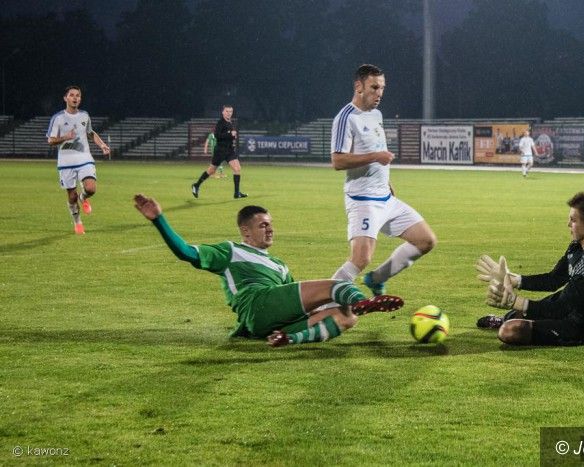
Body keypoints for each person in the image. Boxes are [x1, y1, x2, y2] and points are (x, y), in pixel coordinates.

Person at [133, 194, 404, 347]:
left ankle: (288, 339)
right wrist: (159, 220)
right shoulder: (230, 251)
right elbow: (186, 252)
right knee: (336, 287)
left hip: (266, 323)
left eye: (271, 224)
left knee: (346, 317)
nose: (270, 229)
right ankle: (364, 302)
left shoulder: (280, 265)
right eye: (263, 225)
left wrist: (333, 308)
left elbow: (299, 304)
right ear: (245, 231)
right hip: (257, 305)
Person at [329, 64, 437, 298]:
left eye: (382, 88)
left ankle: (377, 279)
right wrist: (375, 157)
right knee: (360, 259)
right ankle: (321, 301)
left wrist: (386, 181)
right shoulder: (346, 118)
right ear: (358, 86)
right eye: (374, 87)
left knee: (426, 240)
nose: (379, 93)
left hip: (385, 198)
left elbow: (376, 149)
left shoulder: (376, 115)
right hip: (363, 201)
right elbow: (337, 161)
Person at [475, 192, 584, 346]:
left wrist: (515, 301)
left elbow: (560, 308)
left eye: (573, 220)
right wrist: (514, 279)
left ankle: (508, 322)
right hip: (572, 305)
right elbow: (554, 279)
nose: (568, 224)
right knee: (517, 314)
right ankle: (506, 319)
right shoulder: (579, 245)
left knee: (510, 330)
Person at [47, 85, 110, 235]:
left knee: (91, 188)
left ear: (80, 99)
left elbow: (90, 132)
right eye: (72, 95)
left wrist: (102, 145)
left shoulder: (84, 115)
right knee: (72, 196)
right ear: (65, 98)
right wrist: (65, 137)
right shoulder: (58, 118)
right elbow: (50, 140)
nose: (75, 98)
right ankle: (77, 222)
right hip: (66, 162)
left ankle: (83, 197)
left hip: (84, 158)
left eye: (78, 95)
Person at [191, 105, 246, 199]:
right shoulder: (220, 122)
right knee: (211, 171)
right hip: (220, 150)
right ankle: (196, 185)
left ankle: (237, 193)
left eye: (230, 111)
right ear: (223, 112)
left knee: (237, 169)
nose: (229, 113)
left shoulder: (230, 122)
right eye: (227, 111)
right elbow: (217, 136)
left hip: (229, 150)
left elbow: (229, 136)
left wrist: (233, 136)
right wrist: (230, 134)